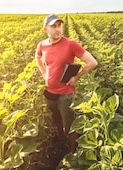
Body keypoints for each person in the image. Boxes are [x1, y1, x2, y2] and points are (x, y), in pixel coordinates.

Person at [35, 14, 98, 153]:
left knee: (70, 125)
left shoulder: (71, 44)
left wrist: (76, 77)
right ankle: (59, 140)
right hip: (49, 92)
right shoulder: (42, 45)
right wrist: (44, 73)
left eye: (59, 25)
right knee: (55, 117)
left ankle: (72, 151)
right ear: (46, 29)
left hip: (66, 94)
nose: (57, 29)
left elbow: (92, 62)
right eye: (53, 26)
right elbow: (37, 57)